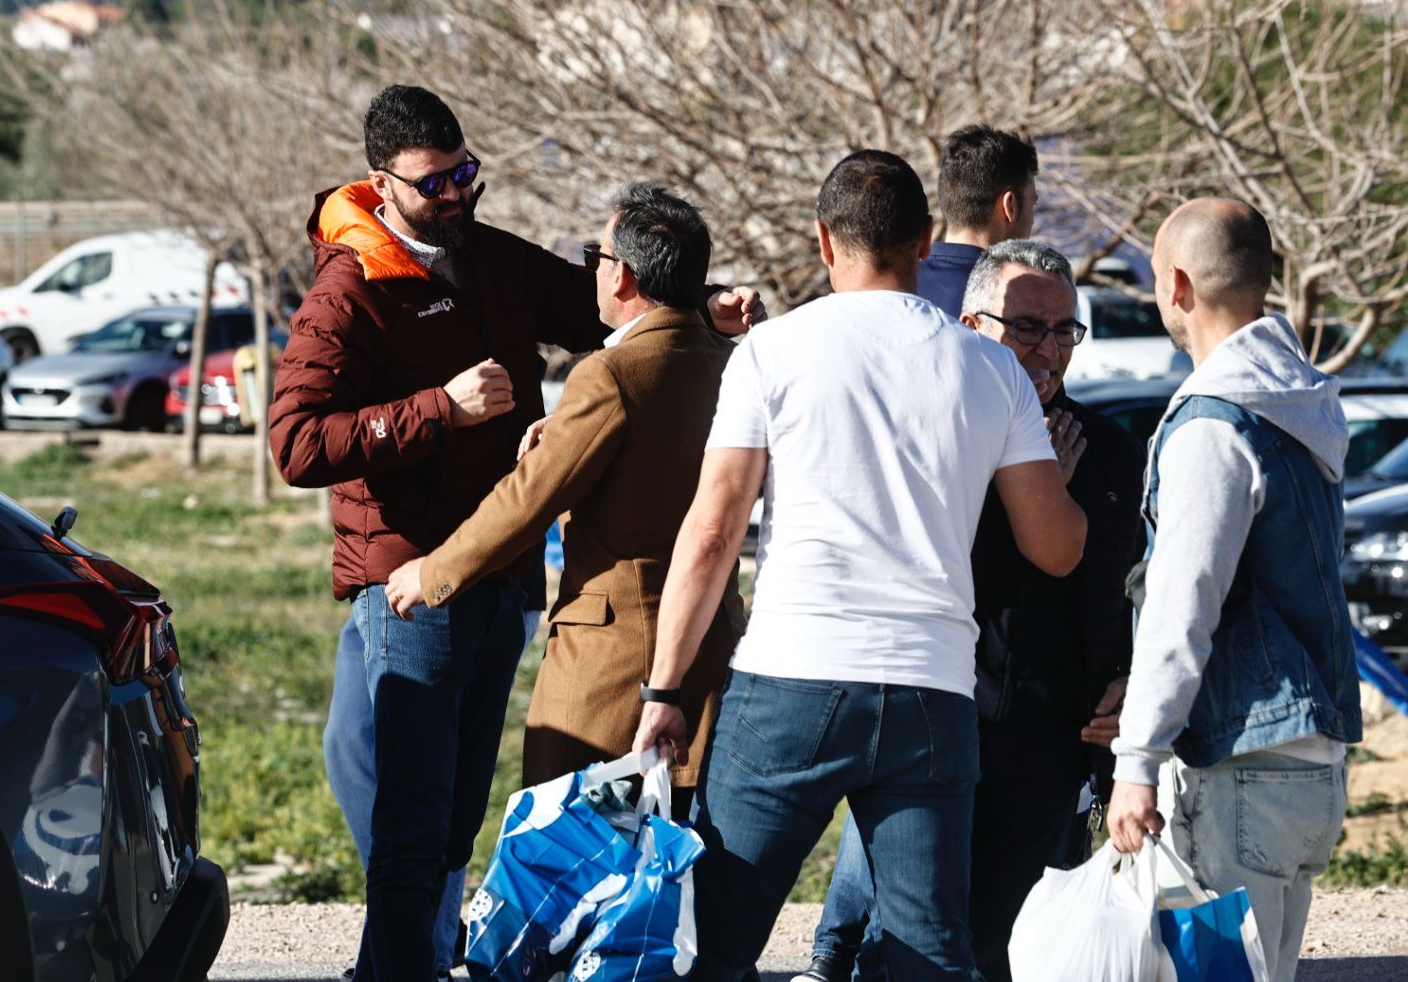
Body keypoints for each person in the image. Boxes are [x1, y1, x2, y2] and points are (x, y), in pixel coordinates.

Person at [269, 84, 763, 981]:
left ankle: (433, 948)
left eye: (467, 173)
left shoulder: (493, 258)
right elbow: (297, 444)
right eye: (434, 184)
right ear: (381, 184)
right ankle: (400, 963)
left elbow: (612, 309)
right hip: (412, 578)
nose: (456, 195)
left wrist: (700, 310)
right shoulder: (350, 289)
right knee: (408, 813)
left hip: (499, 585)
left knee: (455, 807)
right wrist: (434, 412)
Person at [633, 150, 1086, 980]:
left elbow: (712, 533)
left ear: (821, 241)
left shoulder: (770, 351)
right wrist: (1061, 479)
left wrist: (664, 690)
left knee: (715, 931)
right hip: (932, 690)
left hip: (791, 678)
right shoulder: (992, 368)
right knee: (927, 947)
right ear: (923, 241)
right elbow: (1055, 549)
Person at [797, 240, 1145, 982]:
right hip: (943, 729)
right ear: (971, 325)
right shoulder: (930, 438)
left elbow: (1136, 582)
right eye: (1026, 328)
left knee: (1017, 949)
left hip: (1061, 747)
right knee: (913, 944)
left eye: (1064, 330)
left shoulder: (1109, 447)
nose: (1048, 350)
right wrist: (1032, 488)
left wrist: (1131, 679)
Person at [385, 183, 745, 819]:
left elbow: (530, 498)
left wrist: (433, 572)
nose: (591, 274)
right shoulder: (724, 361)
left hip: (612, 667)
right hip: (710, 645)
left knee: (573, 857)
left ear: (624, 276)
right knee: (680, 865)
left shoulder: (611, 374)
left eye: (595, 259)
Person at [1106, 199, 1362, 982]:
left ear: (1177, 285)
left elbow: (1184, 606)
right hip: (1308, 765)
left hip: (1242, 765)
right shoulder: (1301, 406)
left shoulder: (1216, 426)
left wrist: (1137, 758)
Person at [917, 125, 1039, 318]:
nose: (1032, 220)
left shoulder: (900, 285)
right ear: (1010, 206)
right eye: (1033, 204)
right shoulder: (1014, 297)